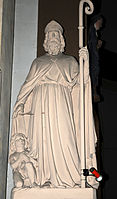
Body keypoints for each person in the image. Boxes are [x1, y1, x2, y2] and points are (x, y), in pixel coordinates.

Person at [10, 20, 98, 188]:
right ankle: (42, 178)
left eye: (56, 35)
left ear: (61, 39)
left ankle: (71, 178)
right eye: (50, 35)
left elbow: (81, 83)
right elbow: (27, 86)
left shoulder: (70, 61)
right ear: (45, 39)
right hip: (40, 105)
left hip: (61, 104)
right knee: (41, 140)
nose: (53, 38)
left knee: (65, 138)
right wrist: (20, 103)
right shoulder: (38, 62)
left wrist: (85, 63)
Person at [88, 14, 103, 102]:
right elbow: (91, 46)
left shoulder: (94, 32)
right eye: (100, 23)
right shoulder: (91, 30)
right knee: (93, 73)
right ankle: (93, 91)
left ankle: (94, 91)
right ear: (96, 21)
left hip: (93, 58)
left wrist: (97, 46)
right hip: (92, 59)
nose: (101, 25)